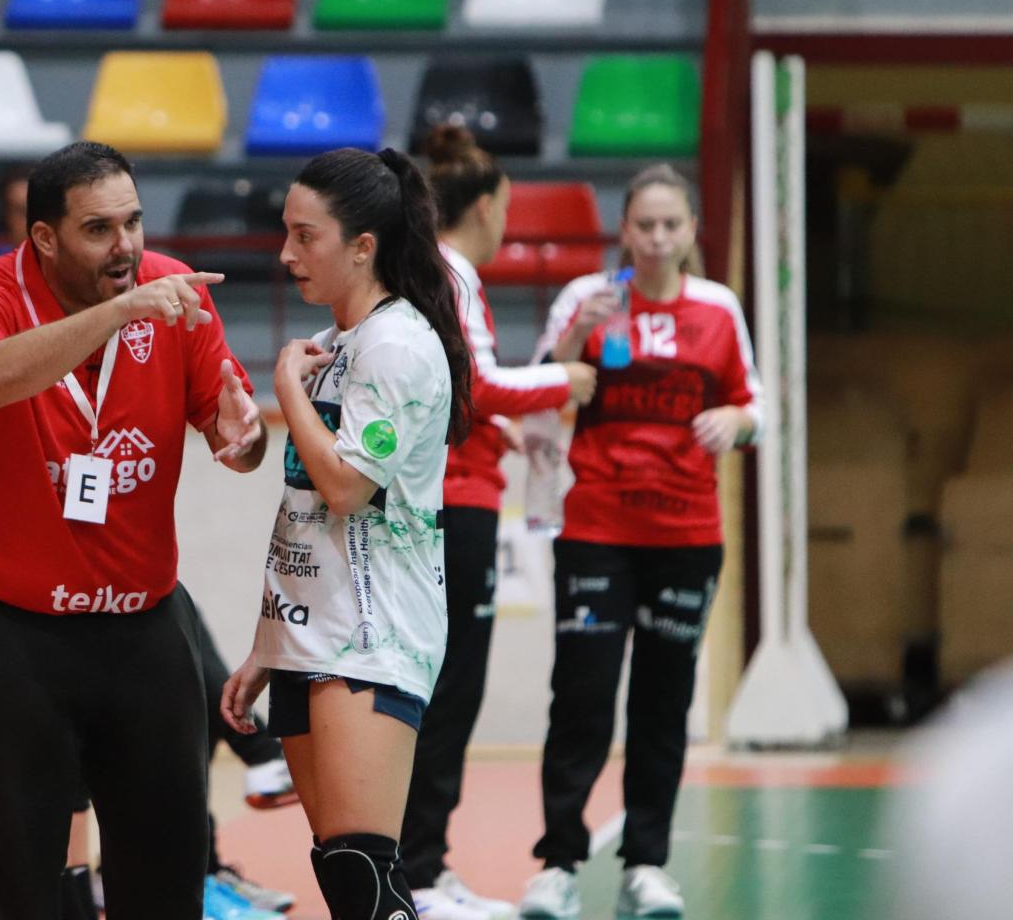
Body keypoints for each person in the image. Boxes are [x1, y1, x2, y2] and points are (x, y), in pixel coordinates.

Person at [0, 140, 267, 919]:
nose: (127, 246)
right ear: (45, 238)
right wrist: (120, 314)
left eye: (134, 222)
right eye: (100, 229)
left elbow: (233, 431)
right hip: (2, 624)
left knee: (169, 862)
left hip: (138, 618)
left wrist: (246, 437)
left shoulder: (174, 292)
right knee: (15, 876)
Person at [220, 146, 472, 920]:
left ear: (363, 247)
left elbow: (342, 484)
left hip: (375, 634)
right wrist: (270, 643)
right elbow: (302, 512)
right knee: (344, 873)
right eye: (287, 233)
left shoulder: (396, 346)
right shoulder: (341, 349)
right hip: (313, 633)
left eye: (307, 236)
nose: (288, 253)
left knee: (364, 872)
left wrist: (285, 385)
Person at [517, 164, 762, 919]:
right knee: (583, 699)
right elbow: (534, 392)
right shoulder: (585, 299)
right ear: (624, 231)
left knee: (664, 702)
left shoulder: (718, 309)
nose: (658, 239)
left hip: (686, 534)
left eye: (672, 226)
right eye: (645, 225)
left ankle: (646, 865)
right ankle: (557, 864)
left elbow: (756, 404)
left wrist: (737, 423)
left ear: (691, 233)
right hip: (596, 530)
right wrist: (581, 335)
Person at [400, 126, 598, 920]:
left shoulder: (434, 269)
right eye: (506, 208)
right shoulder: (454, 269)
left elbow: (458, 389)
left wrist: (497, 426)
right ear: (483, 207)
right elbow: (478, 378)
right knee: (450, 690)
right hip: (457, 504)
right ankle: (416, 872)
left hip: (451, 494)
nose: (507, 223)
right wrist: (563, 379)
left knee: (446, 688)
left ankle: (421, 865)